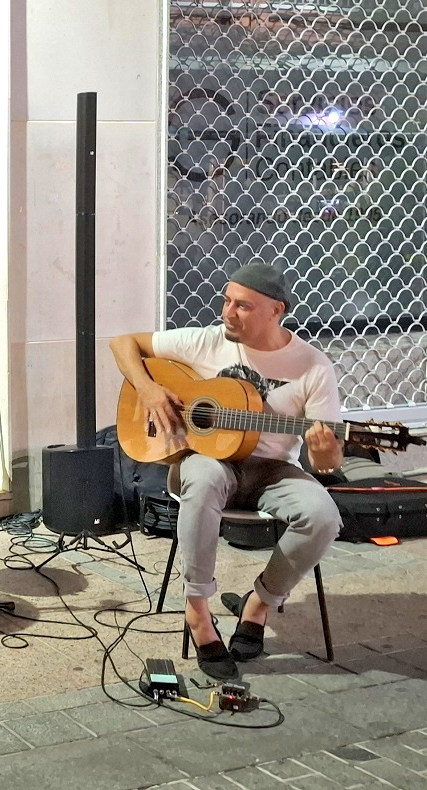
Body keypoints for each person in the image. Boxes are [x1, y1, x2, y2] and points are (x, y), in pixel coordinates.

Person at [110, 262, 343, 680]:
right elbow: (122, 343)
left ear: (277, 311)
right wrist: (148, 389)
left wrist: (325, 456)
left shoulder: (312, 366)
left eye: (243, 306)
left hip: (271, 470)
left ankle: (260, 604)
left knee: (323, 515)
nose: (227, 313)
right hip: (206, 461)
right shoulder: (206, 342)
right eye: (227, 301)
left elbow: (327, 463)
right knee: (205, 478)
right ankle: (198, 612)